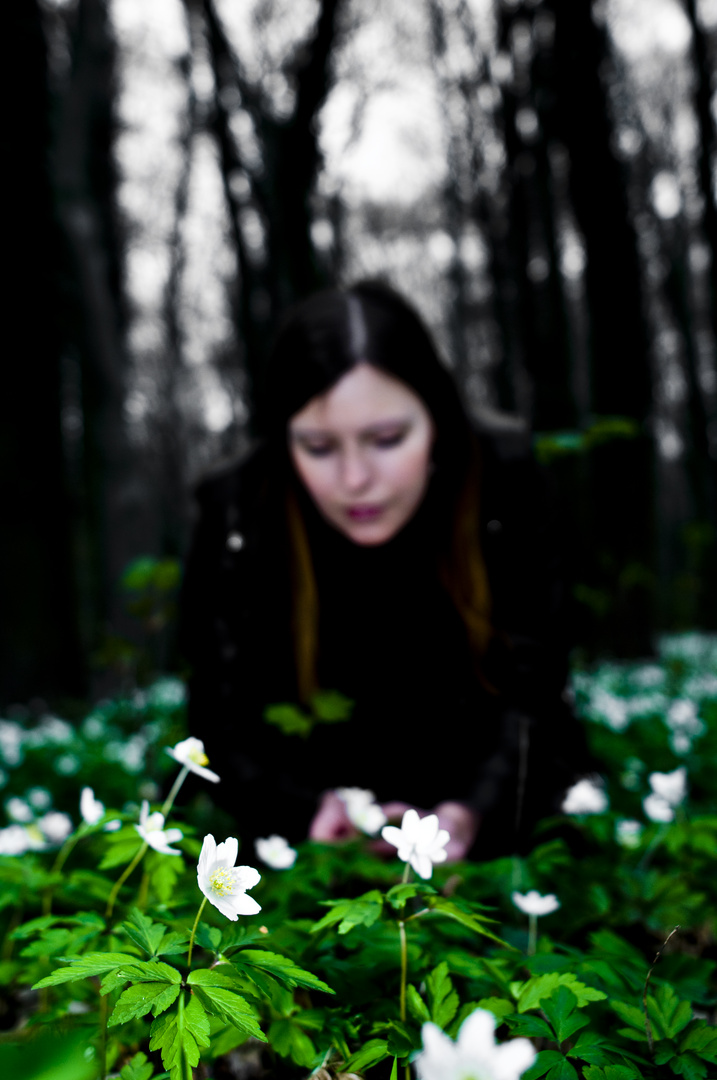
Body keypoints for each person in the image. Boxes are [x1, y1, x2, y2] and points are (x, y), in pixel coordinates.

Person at [179, 280, 592, 861]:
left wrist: (471, 813)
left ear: (439, 422)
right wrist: (303, 809)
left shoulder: (503, 480)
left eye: (387, 439)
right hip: (293, 823)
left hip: (489, 807)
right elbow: (218, 719)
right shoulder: (241, 511)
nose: (355, 480)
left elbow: (535, 688)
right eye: (318, 447)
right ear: (284, 441)